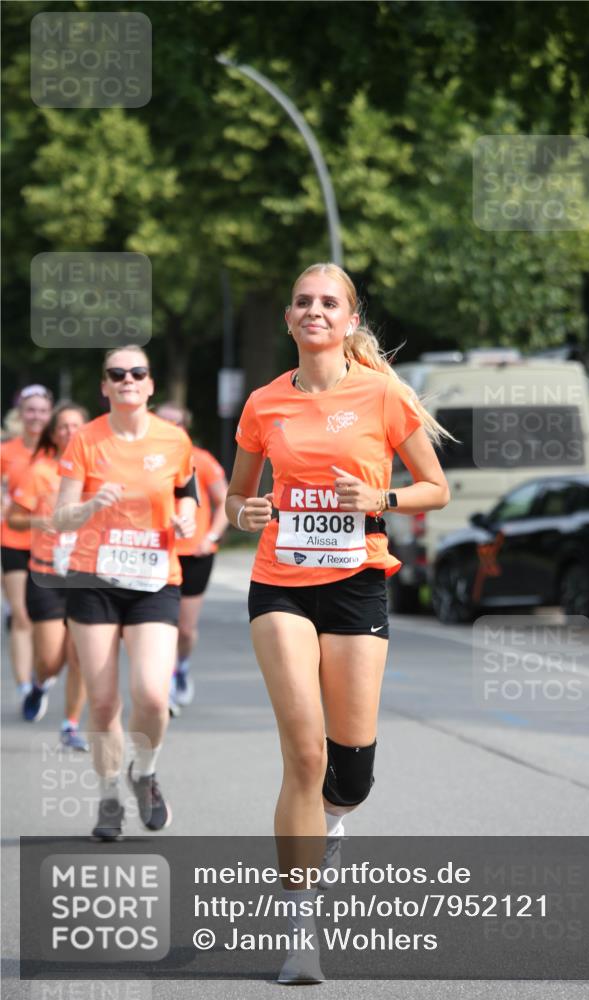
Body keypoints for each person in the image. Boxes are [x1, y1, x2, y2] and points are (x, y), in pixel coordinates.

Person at [225, 262, 450, 983]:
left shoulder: (381, 394)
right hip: (280, 581)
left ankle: (335, 816)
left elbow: (435, 489)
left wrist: (377, 497)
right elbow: (234, 499)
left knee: (349, 774)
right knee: (303, 755)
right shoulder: (264, 403)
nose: (313, 311)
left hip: (356, 584)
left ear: (349, 321)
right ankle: (300, 929)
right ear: (287, 320)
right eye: (302, 302)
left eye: (328, 302)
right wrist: (245, 512)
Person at [53, 346, 197, 841]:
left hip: (155, 579)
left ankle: (146, 772)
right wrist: (91, 504)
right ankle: (110, 795)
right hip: (94, 578)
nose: (128, 380)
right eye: (117, 374)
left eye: (137, 373)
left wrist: (187, 519)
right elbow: (60, 515)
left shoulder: (174, 440)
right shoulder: (86, 441)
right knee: (104, 703)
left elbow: (189, 496)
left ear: (151, 385)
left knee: (153, 698)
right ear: (105, 386)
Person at [7, 402, 89, 749]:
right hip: (46, 575)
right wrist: (43, 521)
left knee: (80, 655)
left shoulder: (102, 469)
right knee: (51, 659)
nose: (70, 433)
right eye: (63, 428)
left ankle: (70, 725)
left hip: (87, 575)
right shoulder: (38, 470)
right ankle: (40, 683)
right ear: (54, 434)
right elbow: (13, 519)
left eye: (76, 426)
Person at [155, 403, 229, 713]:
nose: (171, 428)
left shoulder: (203, 460)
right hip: (158, 552)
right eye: (164, 423)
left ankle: (181, 666)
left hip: (196, 553)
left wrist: (211, 536)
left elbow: (225, 501)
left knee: (185, 629)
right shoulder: (148, 460)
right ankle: (165, 686)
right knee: (162, 625)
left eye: (177, 423)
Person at [1, 385, 53, 701]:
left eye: (42, 411)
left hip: (50, 544)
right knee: (21, 615)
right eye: (30, 410)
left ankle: (39, 676)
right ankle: (23, 686)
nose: (36, 416)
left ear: (50, 415)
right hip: (14, 540)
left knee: (45, 618)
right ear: (21, 413)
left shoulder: (58, 452)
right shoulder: (6, 452)